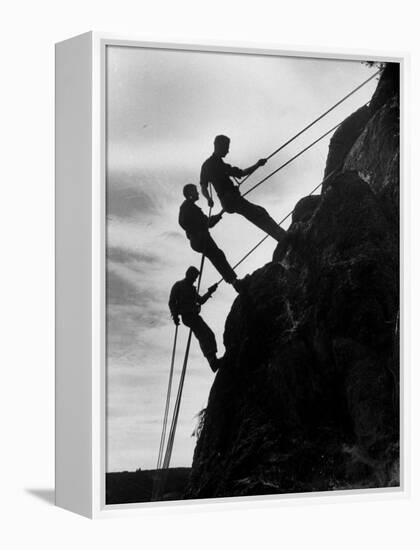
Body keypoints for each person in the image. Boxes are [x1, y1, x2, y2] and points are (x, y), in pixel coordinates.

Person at [200, 134, 286, 243]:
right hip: (231, 199)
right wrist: (258, 164)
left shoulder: (207, 165)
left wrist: (208, 199)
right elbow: (242, 173)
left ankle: (281, 236)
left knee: (259, 212)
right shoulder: (218, 164)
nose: (228, 151)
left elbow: (203, 186)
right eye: (226, 147)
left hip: (227, 201)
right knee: (258, 215)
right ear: (219, 146)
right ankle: (282, 237)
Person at [178, 183, 243, 292]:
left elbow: (207, 223)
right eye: (195, 191)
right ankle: (235, 282)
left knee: (218, 256)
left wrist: (220, 214)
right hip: (200, 238)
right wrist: (197, 231)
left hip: (199, 238)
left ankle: (234, 281)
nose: (198, 193)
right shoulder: (187, 207)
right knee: (218, 257)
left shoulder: (190, 207)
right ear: (190, 194)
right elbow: (185, 223)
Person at [168, 266, 220, 372]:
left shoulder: (191, 289)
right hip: (188, 316)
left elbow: (200, 301)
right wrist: (175, 316)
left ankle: (213, 360)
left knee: (208, 335)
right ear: (189, 275)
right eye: (195, 277)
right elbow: (172, 302)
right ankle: (212, 362)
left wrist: (210, 292)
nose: (195, 279)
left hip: (193, 316)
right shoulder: (178, 286)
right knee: (204, 335)